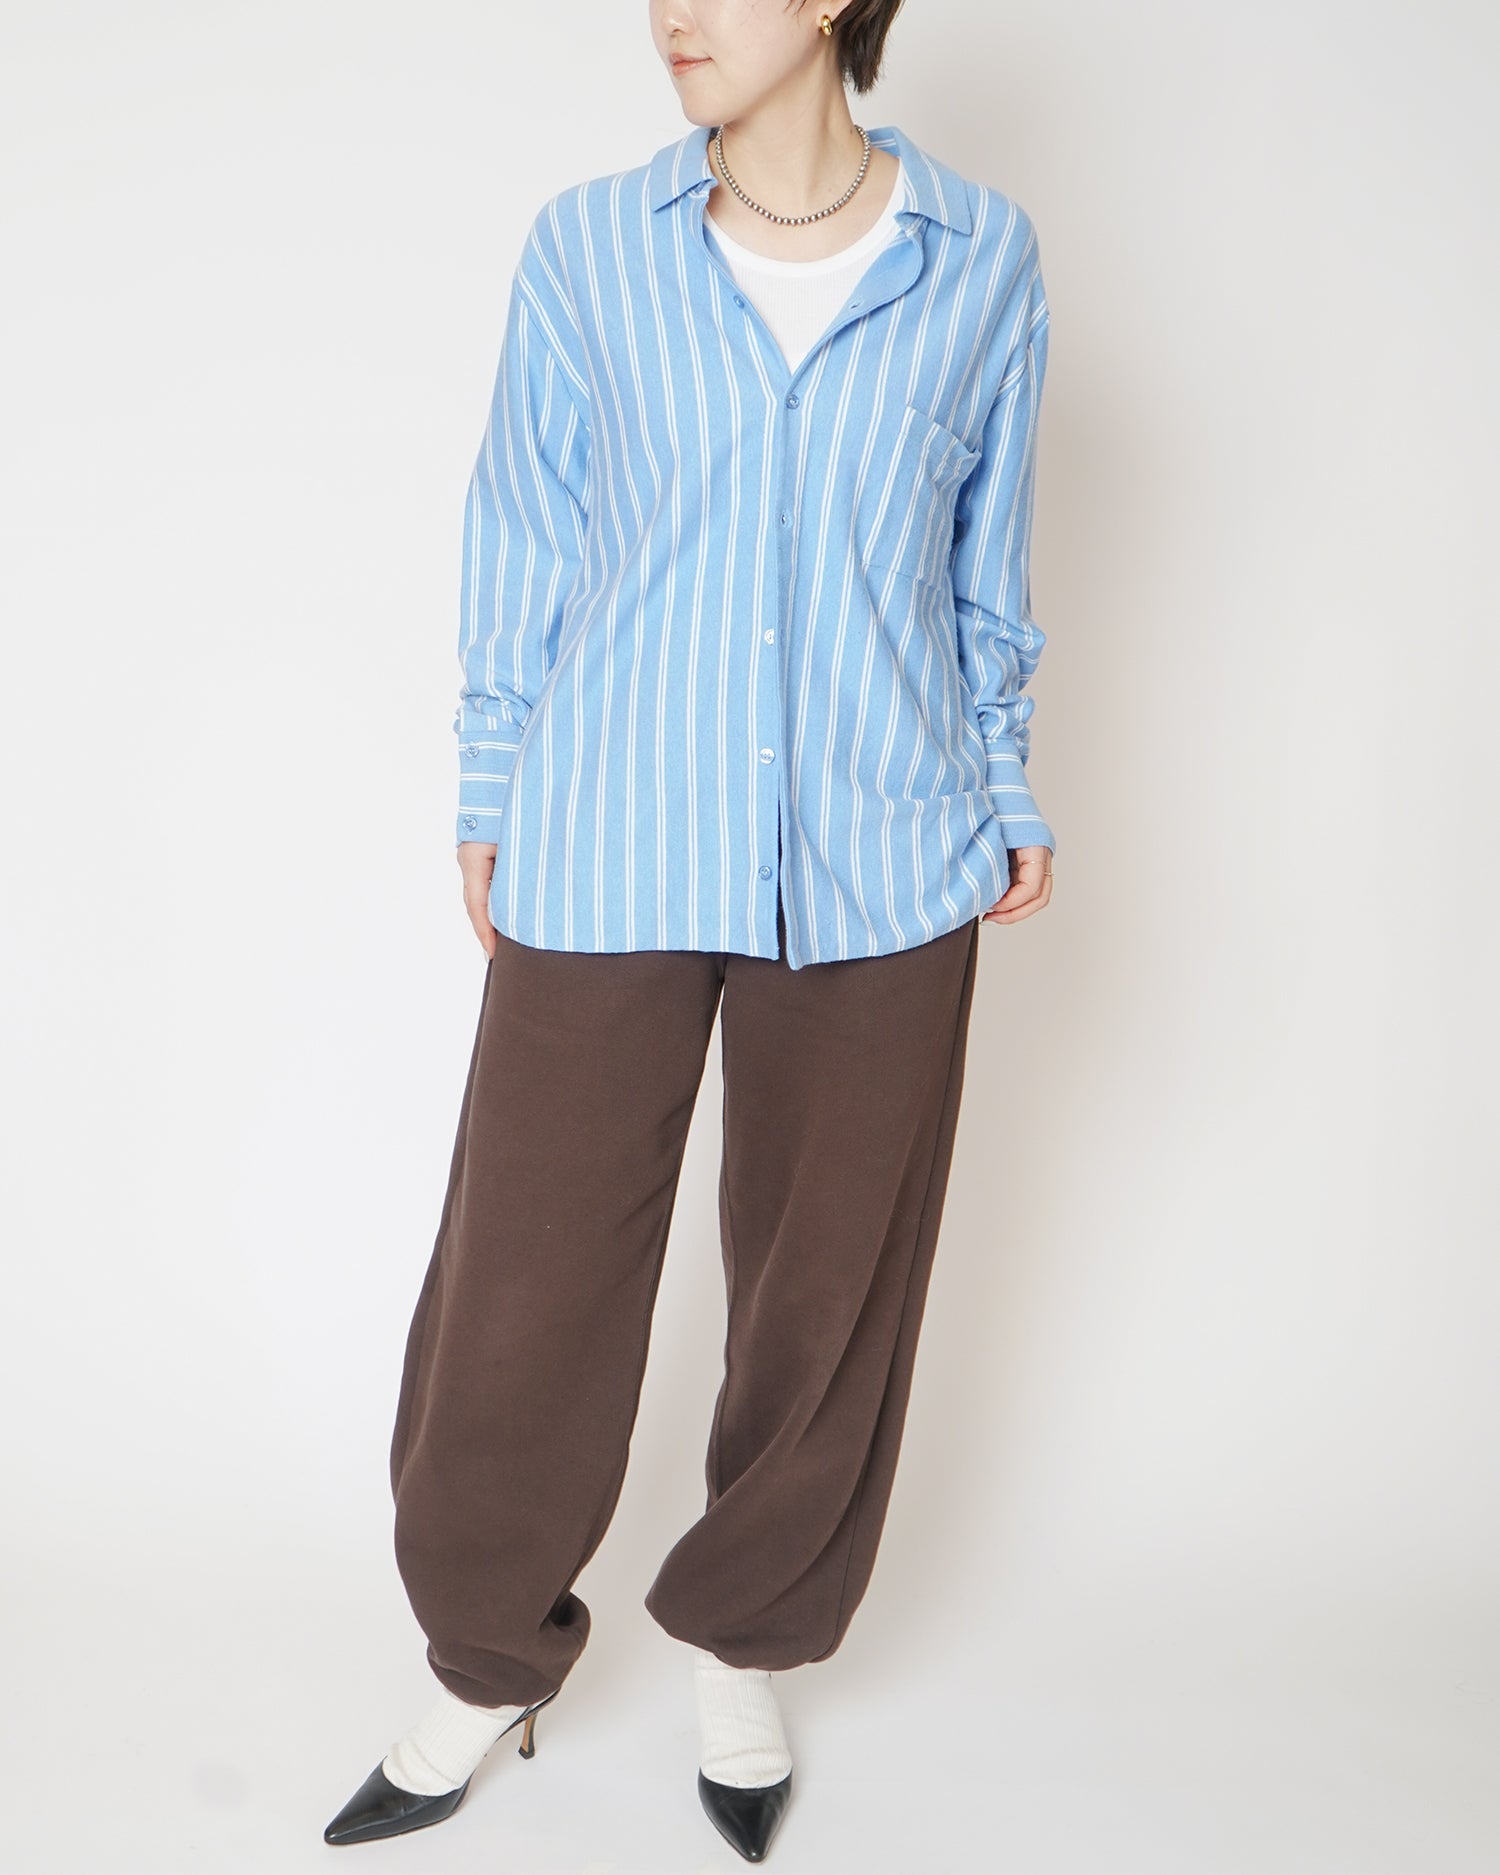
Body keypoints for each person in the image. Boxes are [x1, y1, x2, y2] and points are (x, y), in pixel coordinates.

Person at [324, 0, 1057, 1860]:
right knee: (526, 1279)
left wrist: (1004, 785)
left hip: (887, 846)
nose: (670, 13)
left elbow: (985, 571)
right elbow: (526, 526)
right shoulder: (590, 247)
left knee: (829, 1290)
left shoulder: (983, 261)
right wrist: (492, 782)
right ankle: (485, 1660)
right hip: (610, 829)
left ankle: (746, 1643)